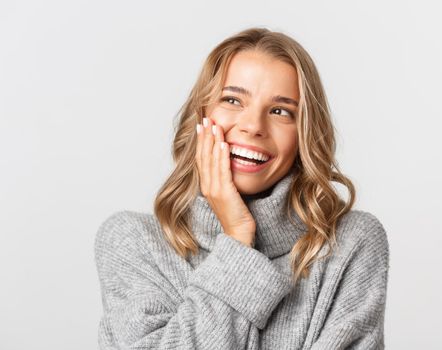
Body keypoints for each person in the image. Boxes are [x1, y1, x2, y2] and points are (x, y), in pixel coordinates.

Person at [94, 27, 390, 349]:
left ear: (303, 134)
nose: (253, 126)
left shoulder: (351, 243)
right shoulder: (134, 243)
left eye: (281, 111)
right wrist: (236, 236)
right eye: (232, 100)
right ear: (201, 114)